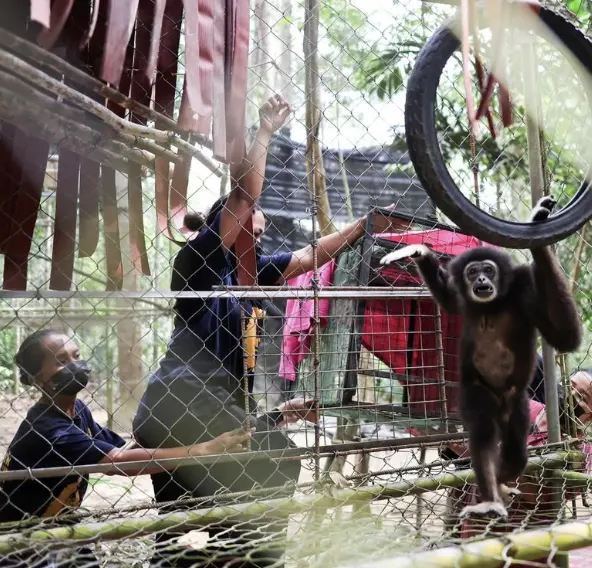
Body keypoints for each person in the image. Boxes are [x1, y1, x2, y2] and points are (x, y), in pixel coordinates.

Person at [133, 94, 409, 566]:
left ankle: (227, 555)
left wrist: (365, 225)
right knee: (273, 460)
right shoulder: (199, 266)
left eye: (260, 236)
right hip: (181, 400)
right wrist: (264, 133)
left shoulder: (251, 275)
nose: (257, 241)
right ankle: (255, 558)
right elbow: (243, 197)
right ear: (225, 230)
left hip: (207, 407)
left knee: (187, 517)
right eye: (249, 233)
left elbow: (307, 257)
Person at [0, 330, 252, 567]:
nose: (75, 365)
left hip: (57, 530)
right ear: (38, 379)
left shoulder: (76, 411)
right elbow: (120, 462)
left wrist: (163, 424)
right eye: (62, 362)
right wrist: (203, 450)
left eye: (77, 356)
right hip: (14, 541)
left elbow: (127, 447)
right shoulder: (49, 429)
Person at [444, 368, 592, 537]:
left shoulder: (579, 450)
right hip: (478, 525)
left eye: (582, 397)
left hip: (526, 537)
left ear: (591, 416)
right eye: (569, 386)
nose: (570, 395)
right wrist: (456, 445)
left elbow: (536, 497)